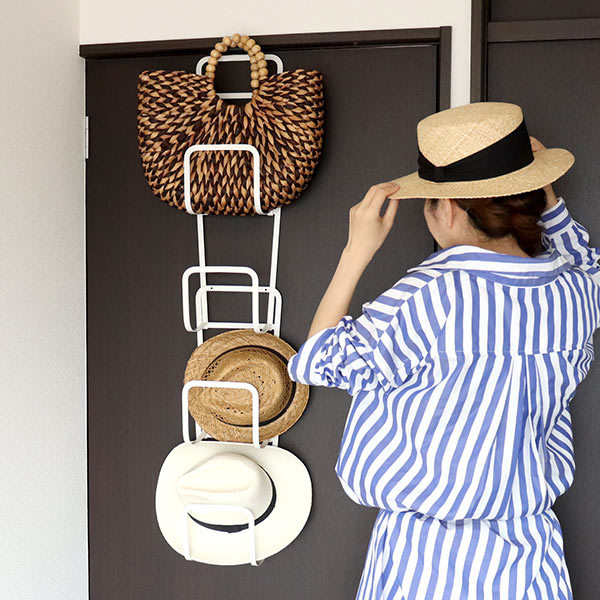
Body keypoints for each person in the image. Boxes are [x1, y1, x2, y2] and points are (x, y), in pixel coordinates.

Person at [287, 102, 598, 599]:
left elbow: (319, 362)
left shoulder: (433, 293)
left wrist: (356, 251)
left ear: (448, 207)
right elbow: (586, 263)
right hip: (531, 555)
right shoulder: (575, 292)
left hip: (423, 561)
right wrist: (549, 198)